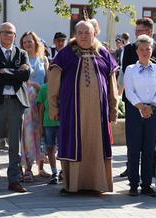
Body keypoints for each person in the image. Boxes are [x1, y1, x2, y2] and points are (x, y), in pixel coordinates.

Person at [48, 20, 119, 195]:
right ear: (75, 34)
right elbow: (53, 84)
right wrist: (54, 108)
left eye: (87, 32)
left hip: (98, 112)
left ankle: (97, 184)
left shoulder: (103, 53)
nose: (83, 36)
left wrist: (113, 108)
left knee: (96, 144)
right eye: (79, 32)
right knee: (74, 144)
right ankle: (72, 185)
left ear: (94, 33)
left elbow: (112, 84)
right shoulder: (65, 54)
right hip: (72, 110)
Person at [0, 22, 30, 193]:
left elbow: (25, 75)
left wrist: (4, 71)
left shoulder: (22, 54)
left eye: (11, 33)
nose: (8, 35)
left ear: (15, 36)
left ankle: (14, 180)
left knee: (15, 145)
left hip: (16, 103)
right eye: (5, 32)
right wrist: (15, 73)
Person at [120, 17, 156, 177]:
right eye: (136, 31)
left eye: (139, 31)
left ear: (149, 31)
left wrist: (152, 105)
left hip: (154, 105)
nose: (136, 34)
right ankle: (131, 172)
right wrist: (140, 105)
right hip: (134, 104)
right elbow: (126, 73)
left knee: (150, 144)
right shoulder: (129, 49)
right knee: (133, 143)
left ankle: (149, 173)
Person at [124, 35, 156, 197]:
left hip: (153, 111)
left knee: (149, 150)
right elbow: (129, 91)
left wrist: (151, 106)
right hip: (135, 111)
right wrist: (141, 107)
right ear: (137, 51)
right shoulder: (130, 69)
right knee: (133, 149)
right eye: (141, 49)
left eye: (148, 49)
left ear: (152, 50)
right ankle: (133, 184)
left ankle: (147, 184)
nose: (145, 52)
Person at [19, 31, 50, 182]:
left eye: (29, 41)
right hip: (27, 102)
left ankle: (42, 167)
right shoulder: (20, 60)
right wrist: (33, 85)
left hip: (41, 101)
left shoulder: (43, 59)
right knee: (28, 134)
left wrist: (42, 89)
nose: (27, 44)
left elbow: (48, 80)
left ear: (36, 42)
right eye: (24, 42)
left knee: (41, 132)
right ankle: (28, 168)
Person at [37, 82, 60, 184]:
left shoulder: (63, 85)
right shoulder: (44, 88)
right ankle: (54, 173)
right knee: (50, 148)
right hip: (48, 123)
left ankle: (64, 172)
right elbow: (41, 108)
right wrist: (41, 125)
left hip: (62, 123)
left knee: (63, 149)